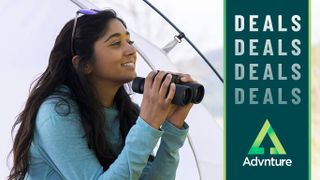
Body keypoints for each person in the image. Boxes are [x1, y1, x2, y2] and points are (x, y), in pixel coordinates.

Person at [8, 9, 195, 180]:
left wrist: (173, 126)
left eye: (129, 41)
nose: (131, 50)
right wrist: (147, 124)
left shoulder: (126, 113)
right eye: (115, 43)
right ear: (84, 64)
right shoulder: (57, 113)